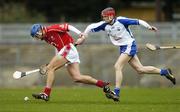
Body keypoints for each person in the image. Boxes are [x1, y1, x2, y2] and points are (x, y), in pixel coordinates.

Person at [81, 7, 176, 102]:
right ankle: (165, 72)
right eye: (103, 17)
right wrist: (84, 35)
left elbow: (138, 21)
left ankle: (116, 93)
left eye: (105, 17)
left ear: (111, 16)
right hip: (123, 47)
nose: (103, 18)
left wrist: (149, 27)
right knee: (140, 69)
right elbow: (90, 27)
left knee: (117, 66)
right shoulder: (103, 25)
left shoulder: (122, 20)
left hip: (129, 45)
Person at [30, 23, 111, 101]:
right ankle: (103, 85)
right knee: (77, 77)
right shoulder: (46, 38)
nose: (37, 37)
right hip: (66, 51)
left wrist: (80, 33)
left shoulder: (52, 29)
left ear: (40, 30)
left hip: (68, 48)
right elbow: (57, 47)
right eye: (36, 37)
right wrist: (55, 60)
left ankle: (46, 94)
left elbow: (68, 26)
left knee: (51, 68)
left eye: (37, 35)